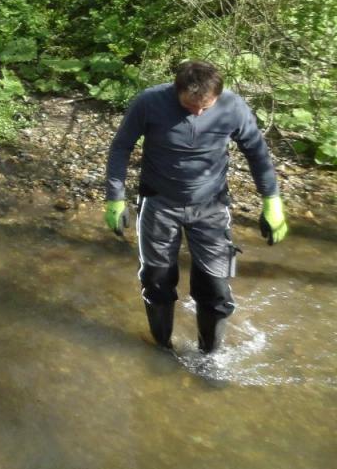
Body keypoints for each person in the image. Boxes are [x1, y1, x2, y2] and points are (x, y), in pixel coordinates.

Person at [104, 60, 288, 354]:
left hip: (211, 207)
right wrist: (115, 197)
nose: (198, 113)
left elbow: (257, 152)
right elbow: (121, 146)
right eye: (190, 106)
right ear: (176, 91)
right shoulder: (149, 102)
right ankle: (162, 349)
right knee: (157, 281)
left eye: (206, 107)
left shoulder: (232, 107)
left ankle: (209, 355)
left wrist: (272, 201)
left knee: (215, 289)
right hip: (159, 203)